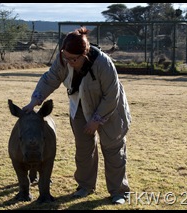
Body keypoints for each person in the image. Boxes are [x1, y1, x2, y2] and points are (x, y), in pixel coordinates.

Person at [22, 26, 132, 205]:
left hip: (110, 109)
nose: (69, 62)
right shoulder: (63, 59)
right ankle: (85, 186)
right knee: (83, 149)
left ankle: (119, 191)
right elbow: (50, 79)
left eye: (74, 59)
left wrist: (97, 120)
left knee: (113, 149)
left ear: (85, 54)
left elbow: (111, 96)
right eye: (66, 57)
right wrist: (34, 101)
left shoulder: (103, 64)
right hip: (80, 106)